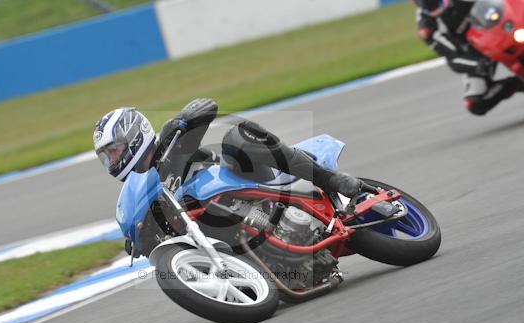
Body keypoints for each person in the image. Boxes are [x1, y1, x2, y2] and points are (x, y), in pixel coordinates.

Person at [93, 98, 368, 199]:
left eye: (114, 151)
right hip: (220, 223)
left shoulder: (169, 139)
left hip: (246, 183)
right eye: (107, 157)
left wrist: (183, 120)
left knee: (236, 138)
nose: (112, 160)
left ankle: (329, 179)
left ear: (133, 136)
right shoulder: (138, 191)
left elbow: (207, 106)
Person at [414, 0, 523, 115]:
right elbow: (453, 57)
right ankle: (517, 83)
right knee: (476, 103)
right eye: (430, 7)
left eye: (439, 2)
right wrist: (477, 64)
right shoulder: (428, 28)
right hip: (478, 53)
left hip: (502, 26)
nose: (436, 9)